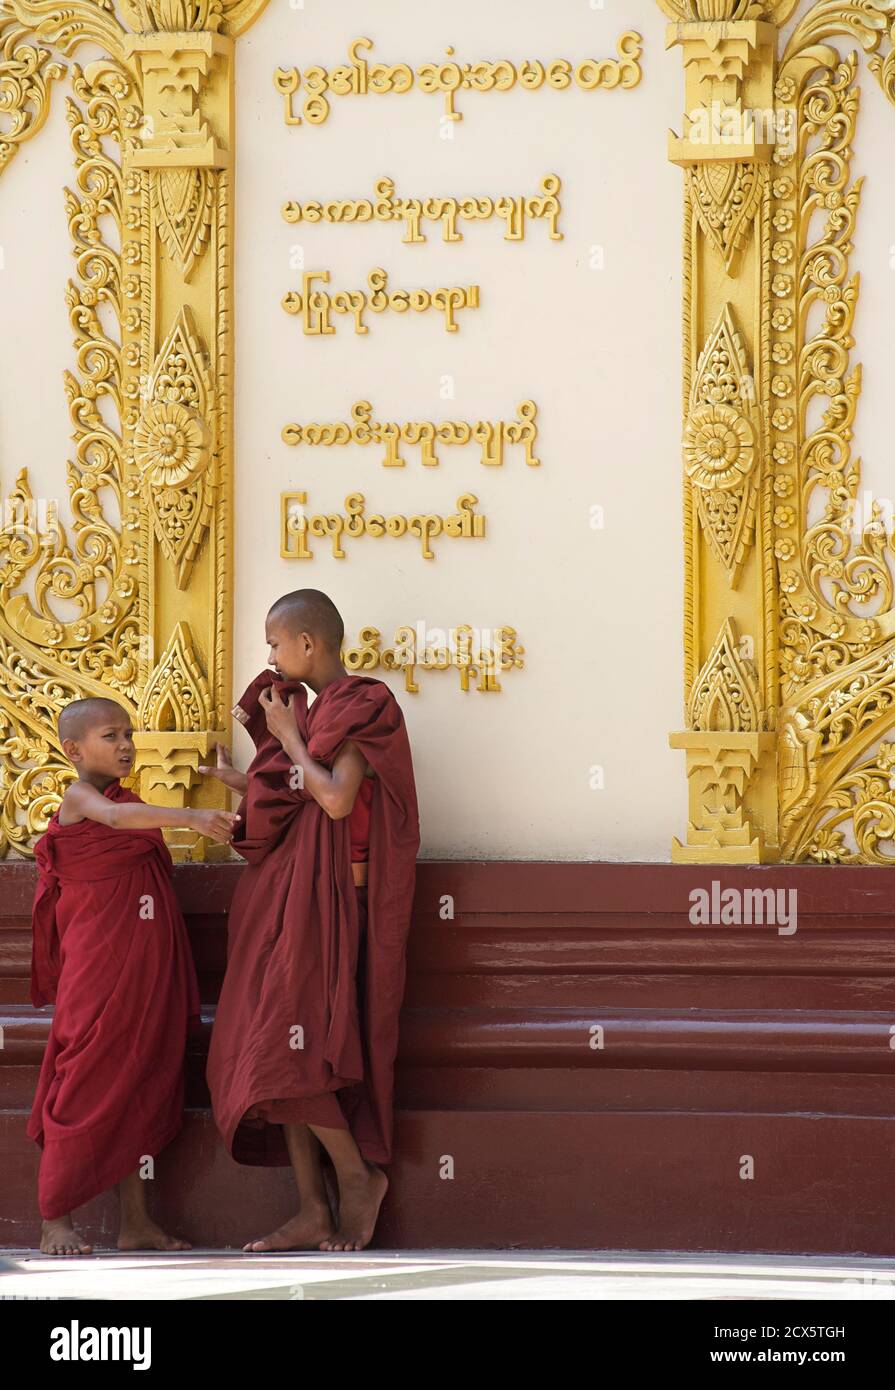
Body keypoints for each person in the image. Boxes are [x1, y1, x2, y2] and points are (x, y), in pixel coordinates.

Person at [202, 588, 420, 1252]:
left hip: (334, 908)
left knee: (295, 1048)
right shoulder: (315, 712)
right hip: (289, 902)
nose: (268, 656)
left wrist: (290, 739)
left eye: (274, 642)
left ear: (308, 644)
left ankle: (357, 1179)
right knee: (273, 1049)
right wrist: (243, 781)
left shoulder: (363, 705)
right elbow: (293, 793)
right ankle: (310, 1207)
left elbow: (331, 797)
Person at [28, 696, 239, 1255]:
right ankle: (55, 1220)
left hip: (144, 969)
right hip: (96, 970)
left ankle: (137, 1222)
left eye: (128, 734)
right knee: (85, 1075)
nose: (126, 745)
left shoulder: (130, 799)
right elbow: (118, 821)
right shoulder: (83, 797)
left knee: (139, 1081)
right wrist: (193, 816)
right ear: (74, 749)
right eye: (110, 735)